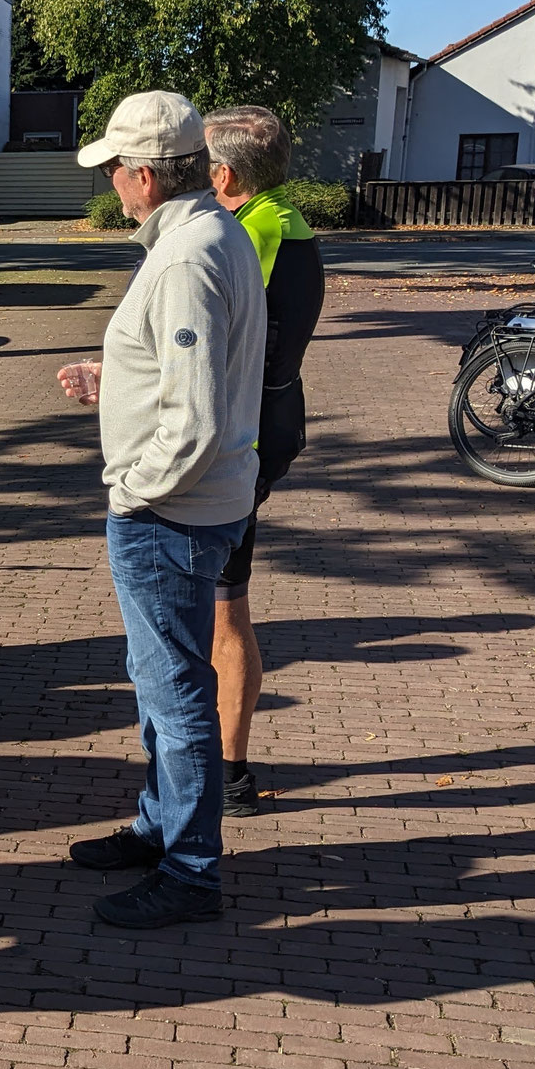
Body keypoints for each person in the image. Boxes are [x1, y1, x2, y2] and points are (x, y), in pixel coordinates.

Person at [54, 91, 266, 929]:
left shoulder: (182, 257)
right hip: (204, 502)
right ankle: (162, 827)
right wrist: (118, 387)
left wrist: (135, 486)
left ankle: (190, 868)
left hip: (171, 512)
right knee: (161, 680)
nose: (109, 181)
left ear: (145, 174)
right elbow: (198, 377)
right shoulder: (214, 236)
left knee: (174, 689)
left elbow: (197, 417)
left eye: (113, 168)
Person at [202, 106, 326, 818]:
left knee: (221, 615)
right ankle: (225, 767)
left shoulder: (251, 230)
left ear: (224, 173)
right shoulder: (290, 220)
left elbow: (220, 341)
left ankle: (227, 773)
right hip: (266, 429)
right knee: (225, 607)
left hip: (234, 444)